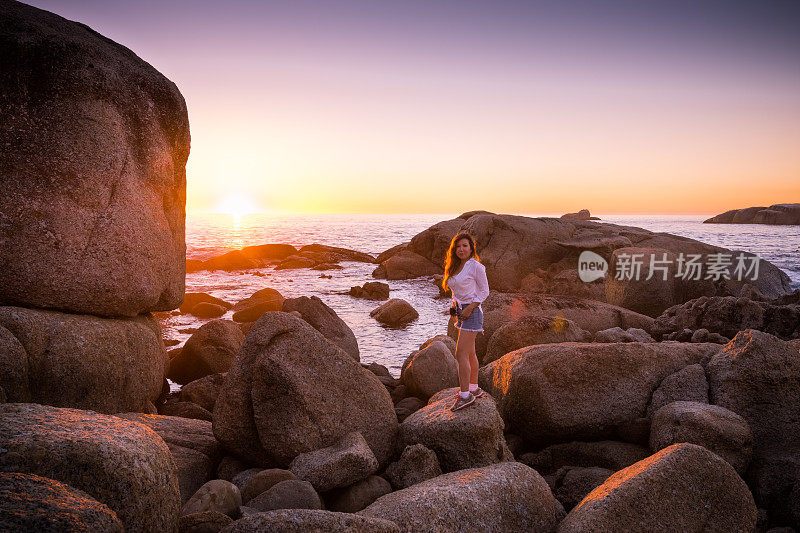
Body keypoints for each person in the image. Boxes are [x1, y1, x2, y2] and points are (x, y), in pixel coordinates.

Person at [441, 231, 490, 411]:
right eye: (458, 246)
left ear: (471, 249)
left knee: (460, 353)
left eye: (465, 246)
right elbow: (456, 290)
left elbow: (485, 291)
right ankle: (473, 388)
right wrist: (454, 305)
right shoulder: (455, 266)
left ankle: (465, 396)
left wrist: (469, 308)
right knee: (470, 354)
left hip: (473, 312)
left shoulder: (476, 266)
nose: (461, 249)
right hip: (462, 312)